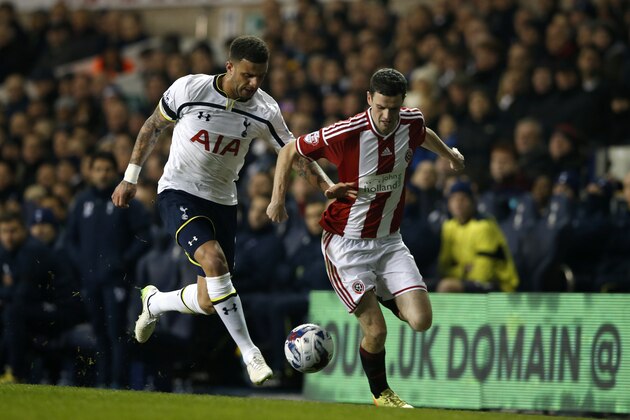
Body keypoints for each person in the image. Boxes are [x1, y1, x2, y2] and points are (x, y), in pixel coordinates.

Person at [111, 35, 334, 386]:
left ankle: (154, 303)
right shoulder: (189, 89)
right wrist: (130, 178)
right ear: (229, 66)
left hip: (223, 201)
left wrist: (327, 188)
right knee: (214, 261)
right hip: (178, 191)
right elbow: (153, 126)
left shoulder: (265, 109)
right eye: (247, 75)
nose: (254, 83)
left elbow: (293, 154)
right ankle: (251, 353)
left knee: (209, 299)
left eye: (261, 76)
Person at [267, 68, 465, 407]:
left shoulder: (411, 121)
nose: (387, 116)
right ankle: (381, 394)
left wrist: (448, 154)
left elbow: (424, 133)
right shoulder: (347, 132)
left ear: (402, 104)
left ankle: (384, 295)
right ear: (369, 99)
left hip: (389, 241)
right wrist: (277, 198)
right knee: (376, 331)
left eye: (394, 108)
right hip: (346, 245)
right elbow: (290, 150)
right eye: (381, 107)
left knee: (421, 321)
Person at [66, 151, 152, 388]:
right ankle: (102, 383)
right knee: (99, 332)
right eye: (98, 169)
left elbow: (145, 236)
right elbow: (70, 239)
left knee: (116, 332)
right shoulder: (82, 202)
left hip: (117, 281)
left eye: (107, 169)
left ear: (115, 172)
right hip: (90, 279)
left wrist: (122, 262)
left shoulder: (125, 201)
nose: (102, 174)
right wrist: (81, 263)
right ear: (90, 172)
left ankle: (118, 383)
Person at [436, 181, 519, 293]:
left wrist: (458, 273)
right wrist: (462, 270)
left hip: (499, 284)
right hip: (467, 279)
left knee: (447, 287)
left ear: (472, 202)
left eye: (463, 199)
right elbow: (443, 268)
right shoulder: (449, 226)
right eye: (453, 199)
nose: (457, 203)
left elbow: (483, 274)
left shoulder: (484, 226)